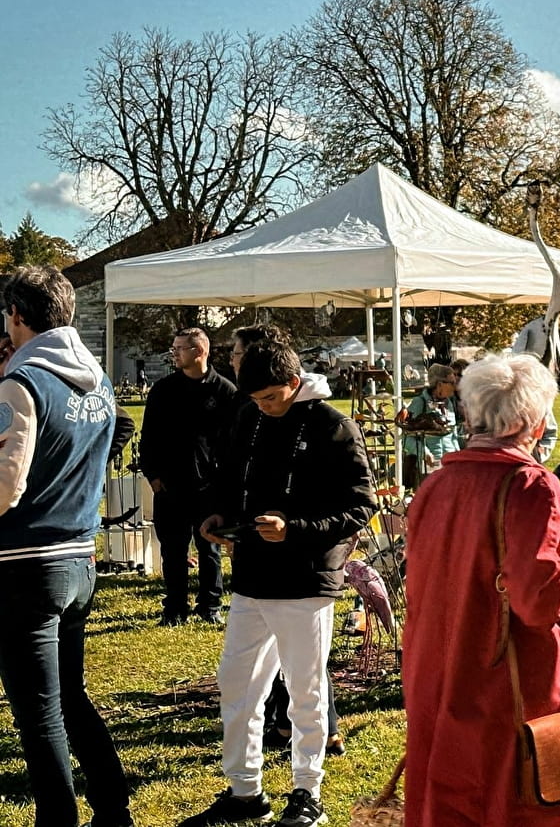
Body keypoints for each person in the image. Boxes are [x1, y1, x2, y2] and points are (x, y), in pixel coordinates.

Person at [404, 355, 560, 827]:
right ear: (530, 422)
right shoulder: (531, 486)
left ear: (471, 414)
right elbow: (541, 599)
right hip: (514, 676)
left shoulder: (435, 486)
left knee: (456, 797)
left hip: (443, 668)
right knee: (529, 796)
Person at [180, 340, 377, 827]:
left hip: (307, 580)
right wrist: (218, 514)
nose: (263, 407)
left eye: (270, 398)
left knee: (305, 688)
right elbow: (229, 475)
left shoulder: (334, 427)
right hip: (252, 576)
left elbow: (360, 505)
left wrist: (295, 528)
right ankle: (244, 790)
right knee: (238, 685)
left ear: (294, 384)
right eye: (256, 399)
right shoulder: (249, 417)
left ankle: (307, 790)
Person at [0, 266, 131, 827]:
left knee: (39, 713)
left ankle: (59, 819)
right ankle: (113, 806)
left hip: (26, 564)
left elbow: (5, 486)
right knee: (69, 699)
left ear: (17, 316)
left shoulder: (22, 381)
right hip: (79, 558)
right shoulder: (97, 379)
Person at [141, 327, 236, 626]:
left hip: (209, 487)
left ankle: (210, 606)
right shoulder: (163, 390)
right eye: (174, 347)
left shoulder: (225, 391)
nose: (174, 353)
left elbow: (234, 443)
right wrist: (153, 477)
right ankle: (175, 608)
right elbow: (149, 438)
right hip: (170, 486)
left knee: (209, 549)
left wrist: (225, 484)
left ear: (199, 351)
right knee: (173, 550)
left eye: (180, 348)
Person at [402, 363, 464, 486]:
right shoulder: (420, 403)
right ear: (439, 384)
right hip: (429, 469)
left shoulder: (449, 404)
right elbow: (405, 437)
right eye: (451, 383)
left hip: (451, 468)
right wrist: (424, 453)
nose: (455, 386)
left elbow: (453, 436)